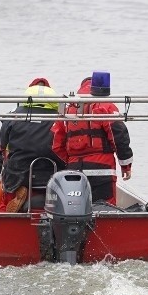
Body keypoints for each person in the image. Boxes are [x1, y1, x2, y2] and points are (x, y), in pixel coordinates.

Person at [51, 72, 133, 205]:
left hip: (75, 171)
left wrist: (71, 162)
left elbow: (56, 145)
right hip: (103, 170)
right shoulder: (106, 106)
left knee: (77, 209)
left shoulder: (67, 111)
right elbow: (119, 136)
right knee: (106, 209)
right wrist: (125, 165)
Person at [0, 78, 63, 212]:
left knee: (6, 168)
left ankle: (12, 198)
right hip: (54, 171)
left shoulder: (14, 116)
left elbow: (3, 146)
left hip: (19, 171)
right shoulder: (62, 119)